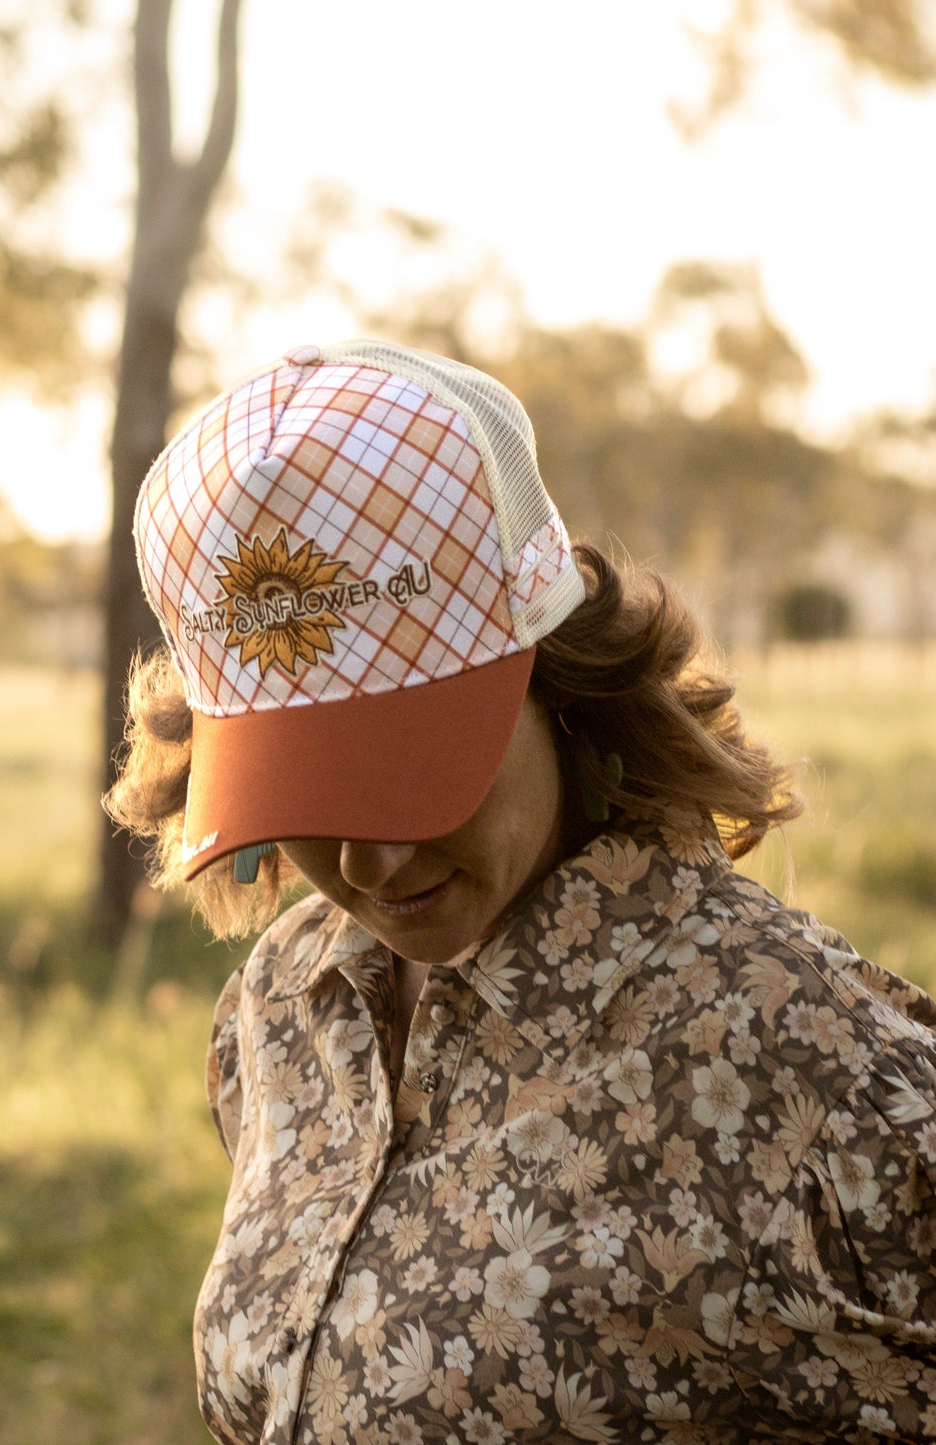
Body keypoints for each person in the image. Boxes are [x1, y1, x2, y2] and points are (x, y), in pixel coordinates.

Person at [104, 339, 936, 1442]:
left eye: (410, 773)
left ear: (551, 676)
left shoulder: (798, 1055)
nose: (368, 865)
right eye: (306, 789)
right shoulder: (287, 1006)